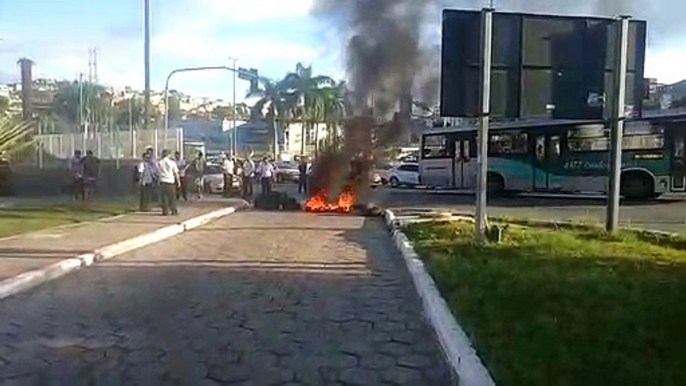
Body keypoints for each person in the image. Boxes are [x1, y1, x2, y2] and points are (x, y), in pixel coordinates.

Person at [157, 149, 180, 216]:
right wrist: (178, 182)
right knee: (172, 197)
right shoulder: (172, 163)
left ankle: (165, 211)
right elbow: (176, 173)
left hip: (162, 181)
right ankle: (173, 210)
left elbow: (157, 172)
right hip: (170, 181)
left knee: (164, 197)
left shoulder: (159, 163)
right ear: (168, 155)